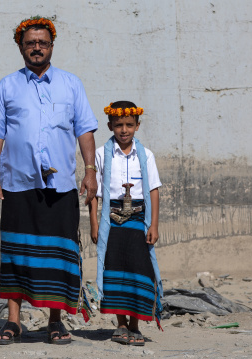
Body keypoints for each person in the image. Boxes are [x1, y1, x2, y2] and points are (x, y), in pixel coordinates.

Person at [0, 16, 98, 345]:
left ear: (51, 46)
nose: (37, 48)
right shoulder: (7, 86)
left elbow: (85, 130)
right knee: (17, 252)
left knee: (59, 252)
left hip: (60, 186)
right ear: (20, 46)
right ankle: (14, 321)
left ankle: (56, 322)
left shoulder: (71, 84)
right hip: (18, 183)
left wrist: (90, 171)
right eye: (30, 43)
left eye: (42, 43)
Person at [89, 101, 163, 346]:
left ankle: (135, 325)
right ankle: (120, 324)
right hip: (112, 220)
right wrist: (93, 223)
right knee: (115, 269)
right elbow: (95, 193)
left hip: (138, 220)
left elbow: (153, 190)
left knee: (138, 269)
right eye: (118, 125)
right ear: (110, 125)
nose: (124, 130)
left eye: (129, 125)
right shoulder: (102, 154)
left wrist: (154, 224)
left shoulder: (146, 155)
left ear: (137, 126)